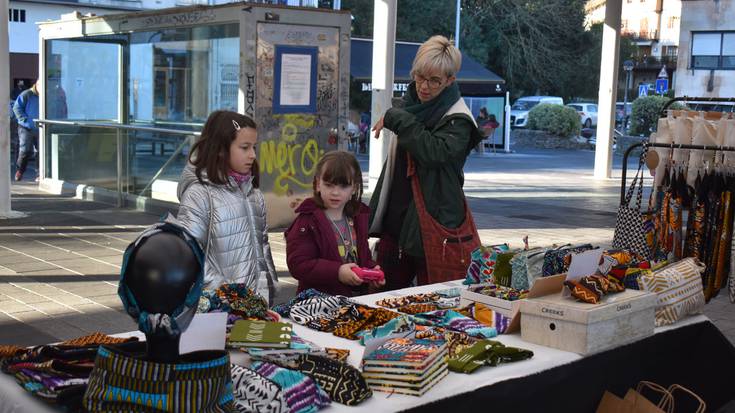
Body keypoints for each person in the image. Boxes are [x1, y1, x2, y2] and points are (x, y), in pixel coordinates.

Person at [369, 35, 483, 290]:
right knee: (382, 300)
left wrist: (395, 118)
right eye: (419, 76)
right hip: (396, 224)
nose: (424, 86)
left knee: (435, 304)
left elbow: (434, 152)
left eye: (434, 81)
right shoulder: (408, 108)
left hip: (434, 227)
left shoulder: (458, 120)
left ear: (450, 80)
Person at [175, 110, 279, 303]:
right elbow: (189, 256)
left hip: (255, 303)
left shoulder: (253, 192)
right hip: (217, 308)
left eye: (254, 147)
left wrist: (269, 286)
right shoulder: (199, 194)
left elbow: (262, 244)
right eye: (245, 147)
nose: (252, 155)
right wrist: (229, 295)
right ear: (220, 148)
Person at [285, 150, 384, 296]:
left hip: (353, 301)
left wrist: (371, 270)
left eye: (343, 186)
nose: (335, 192)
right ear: (318, 184)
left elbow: (361, 256)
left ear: (354, 188)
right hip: (317, 303)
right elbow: (299, 265)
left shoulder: (357, 217)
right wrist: (337, 272)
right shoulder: (307, 221)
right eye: (329, 185)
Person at [12, 81, 40, 182]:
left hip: (40, 127)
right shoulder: (26, 94)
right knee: (25, 150)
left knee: (40, 150)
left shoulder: (45, 95)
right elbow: (16, 108)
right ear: (37, 85)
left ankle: (39, 174)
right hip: (25, 127)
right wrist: (25, 120)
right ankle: (20, 171)